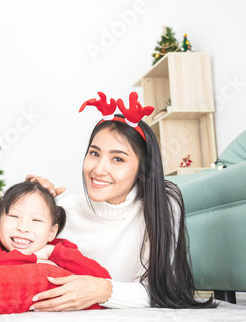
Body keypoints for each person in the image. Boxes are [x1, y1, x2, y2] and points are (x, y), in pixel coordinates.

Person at [27, 92, 216, 311]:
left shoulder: (162, 206)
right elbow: (15, 259)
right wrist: (29, 204)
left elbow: (157, 291)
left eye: (118, 159)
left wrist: (101, 290)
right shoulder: (67, 210)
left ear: (141, 168)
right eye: (94, 153)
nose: (98, 169)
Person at [0, 181, 111, 310]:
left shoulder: (59, 250)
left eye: (36, 220)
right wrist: (36, 260)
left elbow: (102, 278)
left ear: (52, 232)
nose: (23, 227)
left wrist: (50, 251)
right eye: (14, 216)